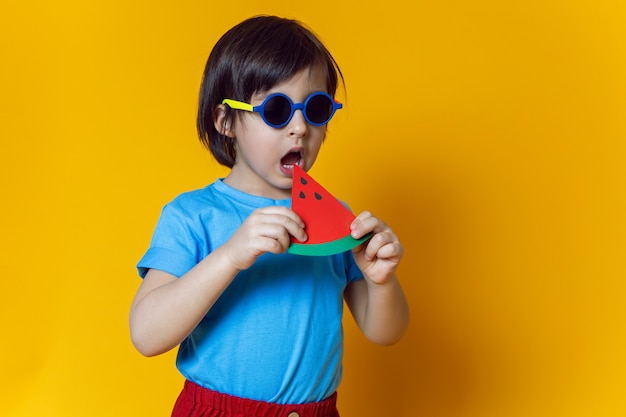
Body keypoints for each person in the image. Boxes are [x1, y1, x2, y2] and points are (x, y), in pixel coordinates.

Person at [130, 15, 409, 417]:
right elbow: (146, 335)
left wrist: (381, 281)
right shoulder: (192, 216)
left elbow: (385, 332)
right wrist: (229, 256)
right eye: (277, 109)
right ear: (225, 120)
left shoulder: (337, 220)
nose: (300, 127)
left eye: (316, 109)